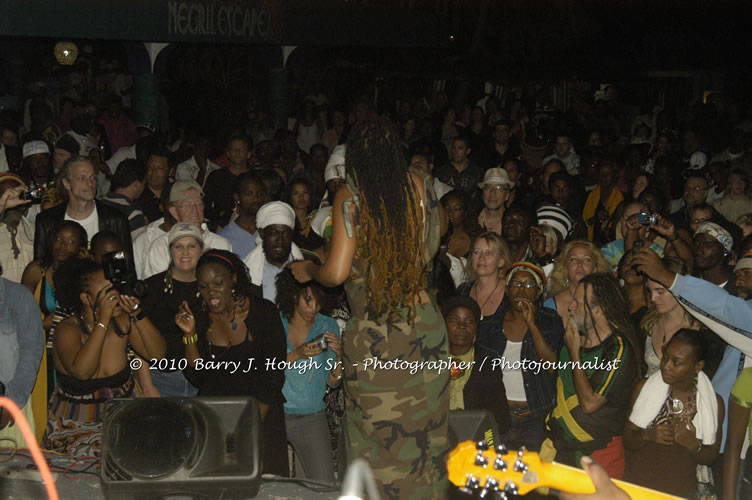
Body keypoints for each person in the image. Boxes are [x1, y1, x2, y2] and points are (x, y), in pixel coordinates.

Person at [288, 118, 449, 499]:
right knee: (428, 437)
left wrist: (309, 267)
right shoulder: (421, 184)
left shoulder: (351, 195)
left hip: (380, 332)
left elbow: (336, 271)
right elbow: (440, 231)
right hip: (424, 323)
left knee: (378, 445)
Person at [175, 250, 289, 476]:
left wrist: (249, 428)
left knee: (265, 486)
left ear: (233, 279)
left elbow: (273, 377)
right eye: (203, 286)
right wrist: (189, 335)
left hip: (261, 415)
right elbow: (197, 376)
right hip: (217, 419)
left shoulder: (263, 312)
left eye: (218, 283)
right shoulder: (198, 317)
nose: (211, 293)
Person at [43, 256, 166, 456]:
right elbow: (82, 372)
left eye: (116, 290)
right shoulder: (67, 329)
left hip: (123, 416)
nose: (115, 297)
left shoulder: (122, 321)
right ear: (86, 298)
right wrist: (102, 321)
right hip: (76, 423)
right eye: (108, 293)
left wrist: (137, 313)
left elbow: (158, 355)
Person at [543, 273, 640, 478]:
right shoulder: (573, 337)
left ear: (598, 309)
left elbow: (589, 404)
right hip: (563, 450)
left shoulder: (618, 349)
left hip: (599, 455)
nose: (571, 307)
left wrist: (575, 353)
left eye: (577, 303)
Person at [623, 329, 723, 498]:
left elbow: (711, 457)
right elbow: (627, 440)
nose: (666, 366)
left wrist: (693, 445)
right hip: (638, 488)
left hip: (680, 492)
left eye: (676, 362)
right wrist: (647, 435)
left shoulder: (712, 403)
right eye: (666, 357)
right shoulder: (644, 389)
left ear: (697, 366)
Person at [275, 268, 342, 483]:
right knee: (272, 486)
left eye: (319, 302)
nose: (314, 308)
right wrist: (297, 354)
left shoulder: (327, 325)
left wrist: (340, 356)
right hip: (275, 415)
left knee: (322, 486)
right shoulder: (276, 322)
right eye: (308, 300)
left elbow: (331, 382)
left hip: (311, 417)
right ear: (294, 295)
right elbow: (264, 369)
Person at [498, 262, 564, 451]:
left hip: (536, 417)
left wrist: (532, 325)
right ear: (507, 289)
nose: (521, 291)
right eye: (516, 284)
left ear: (538, 292)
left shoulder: (550, 321)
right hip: (500, 416)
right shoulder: (492, 324)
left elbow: (552, 366)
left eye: (528, 285)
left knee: (531, 475)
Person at [141, 222, 205, 397]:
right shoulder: (151, 288)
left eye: (191, 246)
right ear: (170, 251)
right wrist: (146, 385)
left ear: (201, 250)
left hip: (203, 379)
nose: (185, 252)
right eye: (179, 246)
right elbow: (138, 339)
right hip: (161, 378)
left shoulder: (211, 286)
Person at [34, 156, 133, 260]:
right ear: (67, 184)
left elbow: (127, 266)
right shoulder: (47, 220)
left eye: (93, 178)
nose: (90, 183)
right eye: (82, 178)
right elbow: (39, 267)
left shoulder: (116, 219)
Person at [444, 295, 510, 435]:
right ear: (443, 325)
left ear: (476, 329)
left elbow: (500, 419)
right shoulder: (428, 360)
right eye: (455, 320)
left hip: (473, 439)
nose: (462, 326)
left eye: (469, 321)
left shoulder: (487, 365)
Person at [142, 180, 231, 278]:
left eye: (199, 204)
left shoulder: (221, 244)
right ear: (174, 212)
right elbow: (154, 287)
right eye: (187, 205)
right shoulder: (161, 246)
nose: (195, 211)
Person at [0, 265, 44, 447]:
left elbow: (31, 353)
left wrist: (12, 401)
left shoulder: (18, 298)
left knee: (12, 471)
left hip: (7, 404)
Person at [640, 257, 702, 377]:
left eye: (660, 292)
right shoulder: (647, 323)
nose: (653, 298)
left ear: (679, 287)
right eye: (650, 291)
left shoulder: (702, 330)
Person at [456, 232, 510, 353]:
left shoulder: (511, 294)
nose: (481, 258)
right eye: (477, 252)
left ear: (501, 261)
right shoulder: (462, 291)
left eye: (489, 253)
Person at [243, 200, 304, 302]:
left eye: (285, 234)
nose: (280, 240)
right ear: (262, 234)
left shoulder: (304, 268)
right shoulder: (248, 271)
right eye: (273, 233)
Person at [544, 240, 611, 327]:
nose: (580, 264)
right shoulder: (549, 307)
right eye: (573, 259)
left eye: (587, 260)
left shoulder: (607, 303)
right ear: (565, 268)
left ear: (595, 268)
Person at [216, 173, 268, 260]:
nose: (256, 199)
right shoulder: (223, 237)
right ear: (237, 197)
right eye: (249, 194)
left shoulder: (272, 231)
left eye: (260, 194)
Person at [583, 160, 623, 244]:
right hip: (591, 243)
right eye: (601, 174)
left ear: (615, 176)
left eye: (607, 174)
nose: (604, 177)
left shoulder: (621, 199)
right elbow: (582, 225)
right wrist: (596, 218)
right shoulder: (589, 195)